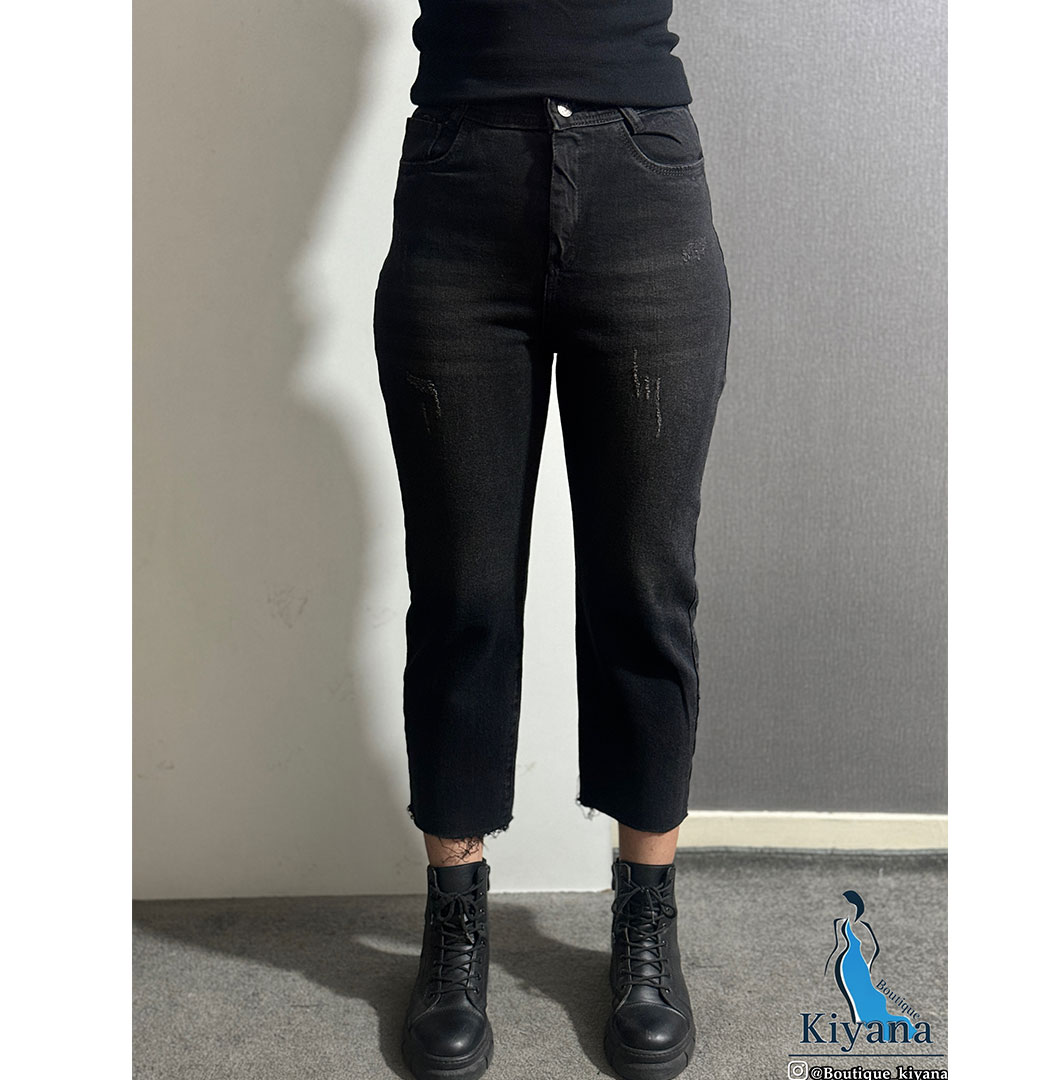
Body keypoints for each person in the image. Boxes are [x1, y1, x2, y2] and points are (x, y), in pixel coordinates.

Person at [372, 3, 731, 1078]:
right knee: (463, 592)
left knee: (645, 584)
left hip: (643, 175)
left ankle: (646, 917)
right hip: (459, 176)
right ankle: (455, 923)